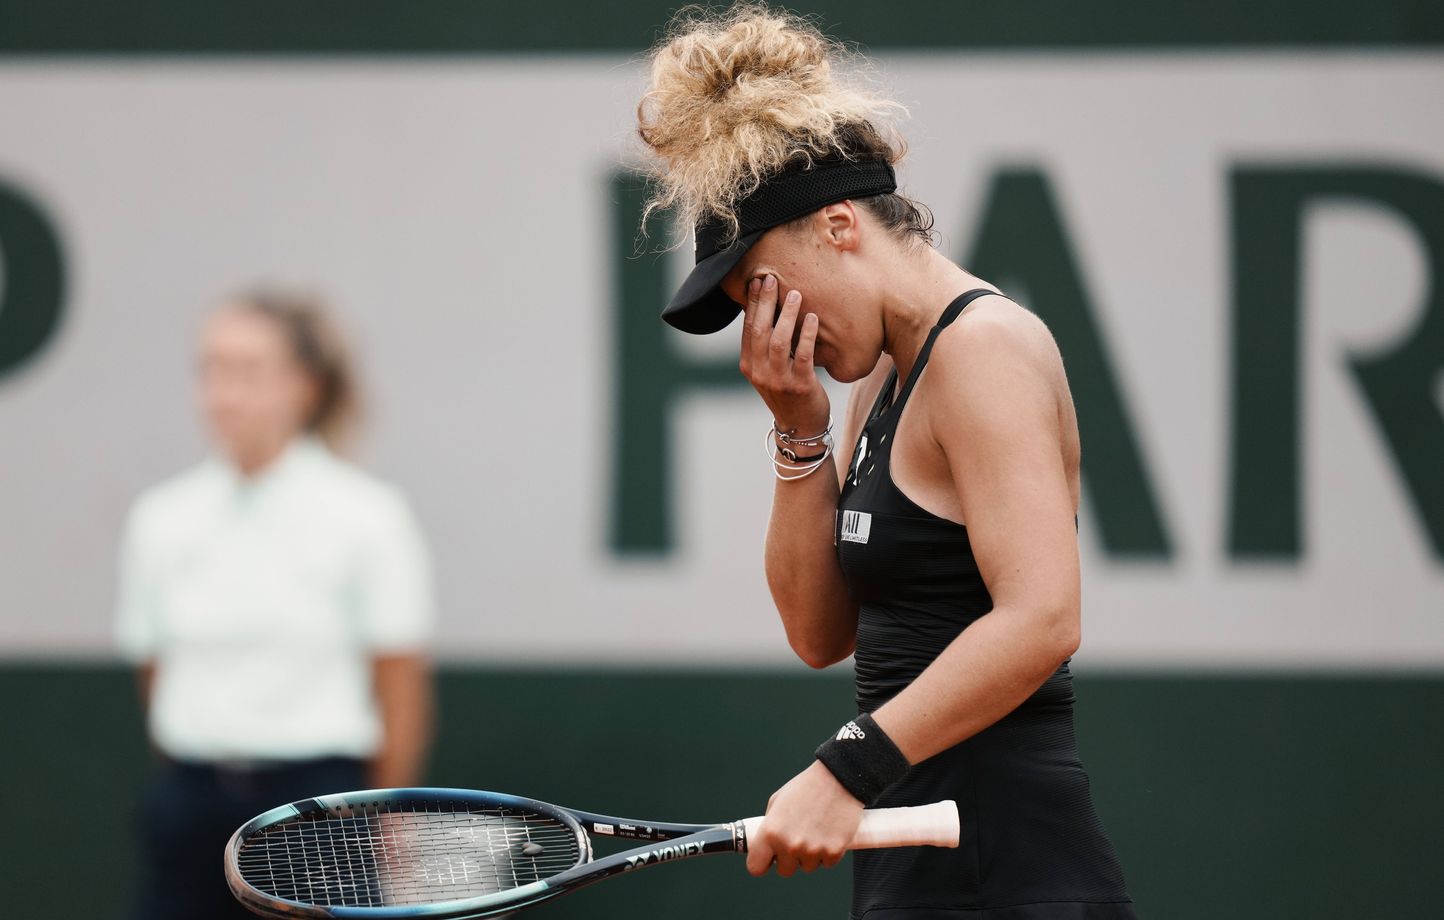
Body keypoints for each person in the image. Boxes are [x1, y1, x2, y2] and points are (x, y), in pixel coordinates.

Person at [636, 5, 1135, 918]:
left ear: (836, 226)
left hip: (1007, 865)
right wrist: (798, 430)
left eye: (761, 288)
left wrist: (844, 771)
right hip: (917, 861)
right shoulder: (882, 377)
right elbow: (819, 635)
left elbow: (1043, 618)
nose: (765, 323)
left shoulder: (985, 349)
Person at [115, 288, 436, 919]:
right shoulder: (160, 519)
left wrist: (381, 819)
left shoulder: (368, 517)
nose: (223, 393)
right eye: (210, 370)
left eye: (248, 372)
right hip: (189, 808)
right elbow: (154, 672)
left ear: (305, 387)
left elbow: (398, 686)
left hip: (321, 813)